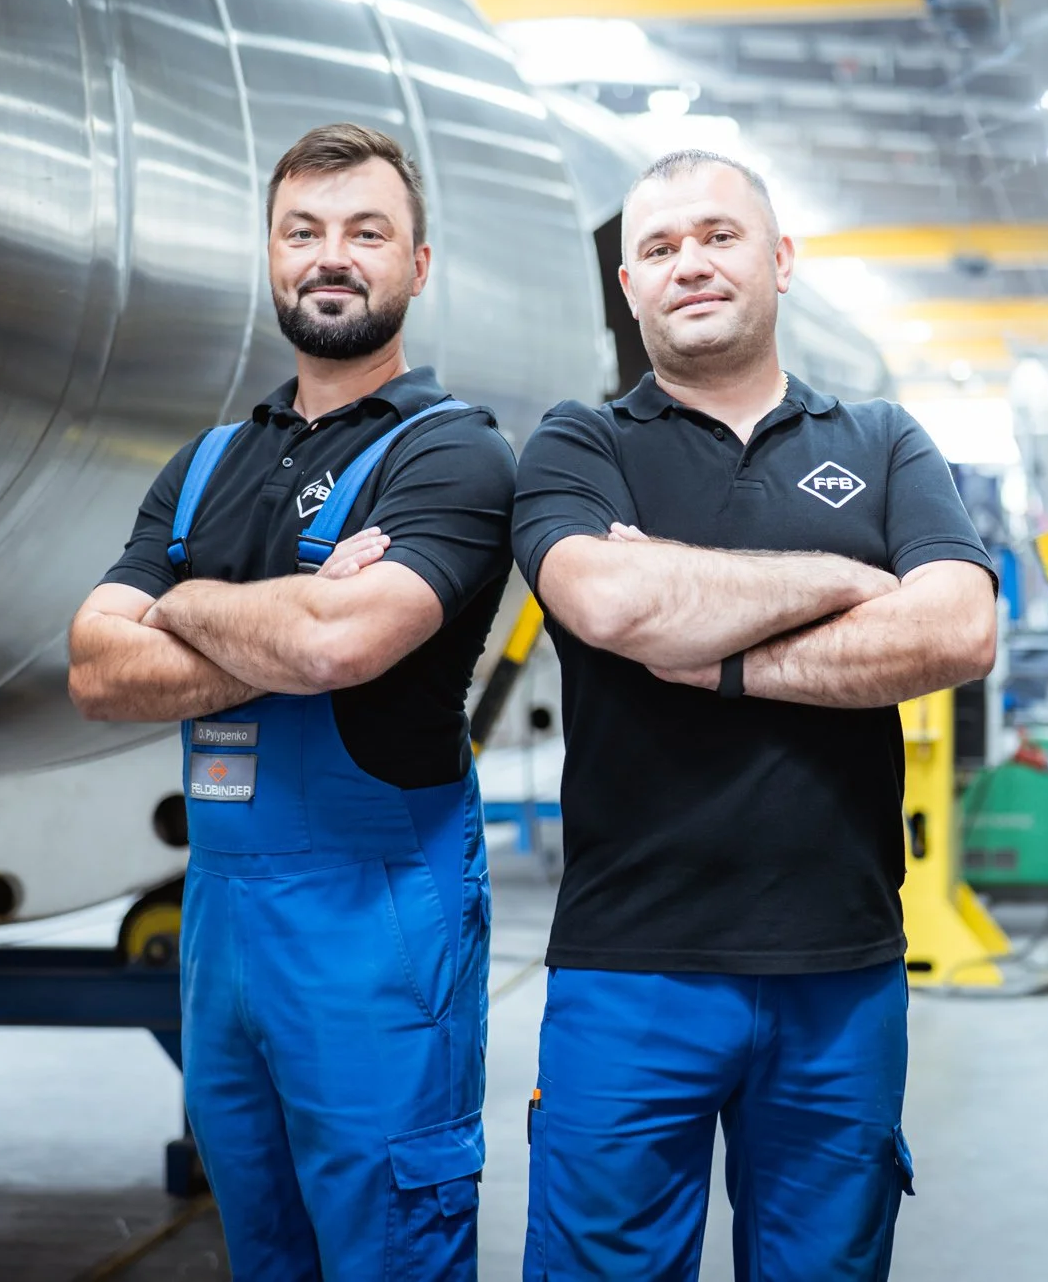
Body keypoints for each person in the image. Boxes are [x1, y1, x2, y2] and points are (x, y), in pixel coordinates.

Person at [512, 150, 999, 1281]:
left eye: (718, 236)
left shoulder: (881, 438)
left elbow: (957, 631)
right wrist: (848, 577)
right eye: (659, 248)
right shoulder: (578, 445)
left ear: (780, 261)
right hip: (629, 966)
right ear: (628, 288)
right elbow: (609, 597)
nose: (689, 263)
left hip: (839, 968)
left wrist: (714, 657)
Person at [67, 123, 514, 1280]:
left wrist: (182, 603)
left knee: (389, 1249)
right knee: (260, 1246)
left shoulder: (453, 454)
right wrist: (291, 611)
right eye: (303, 231)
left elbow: (343, 645)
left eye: (367, 233)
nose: (332, 255)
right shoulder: (208, 462)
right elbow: (94, 669)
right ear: (271, 258)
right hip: (225, 929)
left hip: (377, 931)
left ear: (416, 266)